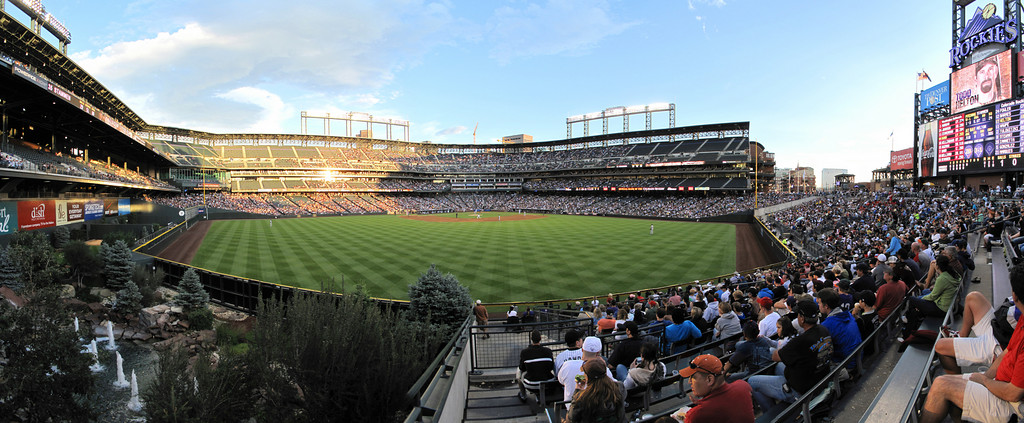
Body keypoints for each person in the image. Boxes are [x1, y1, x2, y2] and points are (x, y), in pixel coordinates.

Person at [919, 264, 1024, 423]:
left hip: (1012, 405)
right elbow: (1008, 351)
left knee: (941, 385)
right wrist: (985, 377)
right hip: (1000, 382)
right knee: (953, 385)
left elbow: (1013, 393)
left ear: (1014, 296)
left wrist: (985, 381)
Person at [748, 300, 833, 412]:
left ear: (802, 318)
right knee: (778, 366)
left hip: (801, 390)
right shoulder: (823, 329)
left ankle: (773, 414)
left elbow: (775, 356)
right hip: (818, 378)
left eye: (798, 315)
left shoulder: (800, 341)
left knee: (752, 381)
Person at [934, 291, 1018, 374]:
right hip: (998, 329)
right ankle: (961, 336)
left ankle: (956, 383)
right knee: (973, 297)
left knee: (940, 346)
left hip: (999, 345)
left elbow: (1004, 315)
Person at [675, 354, 755, 423]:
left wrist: (699, 409)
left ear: (710, 379)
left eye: (693, 377)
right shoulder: (743, 386)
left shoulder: (697, 414)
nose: (689, 382)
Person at [903, 255, 959, 340]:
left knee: (911, 300)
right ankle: (908, 330)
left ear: (938, 266)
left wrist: (921, 300)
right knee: (921, 299)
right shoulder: (952, 273)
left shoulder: (943, 278)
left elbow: (932, 296)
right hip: (945, 304)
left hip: (941, 308)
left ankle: (908, 326)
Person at [564, 358, 626, 423]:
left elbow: (570, 419)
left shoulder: (582, 398)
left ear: (587, 377)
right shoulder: (619, 387)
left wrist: (577, 392)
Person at [557, 336, 614, 406]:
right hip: (595, 410)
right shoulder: (604, 370)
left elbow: (561, 381)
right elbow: (616, 386)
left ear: (582, 349)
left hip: (572, 409)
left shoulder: (567, 365)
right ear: (598, 353)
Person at [817, 288, 862, 370]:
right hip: (858, 356)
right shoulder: (847, 313)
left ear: (826, 306)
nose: (818, 305)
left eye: (819, 303)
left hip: (847, 364)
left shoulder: (827, 325)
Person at [517, 329, 556, 402]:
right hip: (548, 383)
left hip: (531, 384)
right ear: (540, 338)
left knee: (518, 372)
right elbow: (551, 367)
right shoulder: (548, 351)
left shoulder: (525, 352)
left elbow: (521, 368)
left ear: (531, 339)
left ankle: (523, 395)